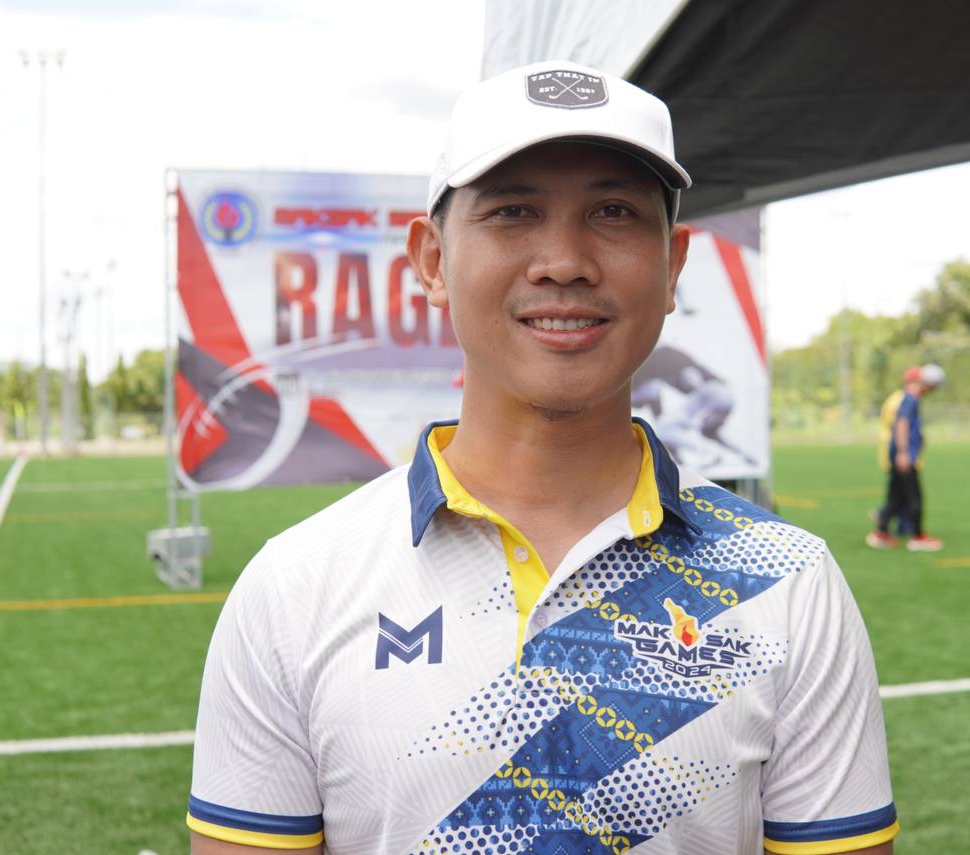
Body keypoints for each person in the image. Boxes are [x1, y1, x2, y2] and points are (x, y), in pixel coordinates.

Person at [187, 60, 898, 855]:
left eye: (613, 211)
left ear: (673, 266)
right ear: (431, 260)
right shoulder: (295, 586)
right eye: (513, 211)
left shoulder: (790, 583)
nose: (564, 259)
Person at [867, 364, 945, 552]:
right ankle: (917, 537)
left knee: (895, 497)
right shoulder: (910, 400)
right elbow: (901, 424)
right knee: (914, 497)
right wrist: (904, 452)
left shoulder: (906, 399)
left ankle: (881, 533)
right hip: (904, 456)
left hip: (898, 455)